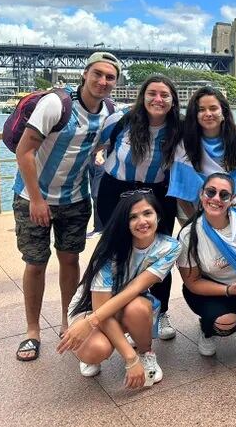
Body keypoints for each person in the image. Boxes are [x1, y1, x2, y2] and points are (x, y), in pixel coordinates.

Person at [13, 51, 119, 361]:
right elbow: (24, 150)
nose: (102, 81)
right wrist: (36, 198)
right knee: (36, 263)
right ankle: (32, 331)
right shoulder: (56, 105)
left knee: (70, 260)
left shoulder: (110, 111)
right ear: (84, 74)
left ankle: (66, 322)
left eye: (110, 77)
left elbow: (103, 144)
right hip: (33, 197)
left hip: (75, 198)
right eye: (97, 74)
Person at [57, 191, 181, 384]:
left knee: (138, 308)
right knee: (97, 349)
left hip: (127, 302)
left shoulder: (169, 247)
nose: (142, 221)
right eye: (133, 217)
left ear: (158, 215)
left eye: (147, 213)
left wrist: (91, 323)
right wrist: (129, 359)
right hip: (91, 307)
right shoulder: (110, 250)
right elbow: (100, 308)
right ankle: (103, 350)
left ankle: (145, 353)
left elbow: (135, 288)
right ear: (124, 222)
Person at [97, 75, 181, 340]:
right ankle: (115, 313)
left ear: (172, 101)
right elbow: (93, 146)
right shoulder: (120, 120)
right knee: (117, 252)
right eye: (152, 93)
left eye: (164, 95)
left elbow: (214, 135)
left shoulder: (180, 128)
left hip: (157, 194)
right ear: (143, 96)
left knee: (159, 253)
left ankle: (161, 311)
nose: (158, 99)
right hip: (116, 192)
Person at [178, 173, 236, 357]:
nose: (216, 199)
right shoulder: (189, 235)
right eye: (210, 192)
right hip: (213, 288)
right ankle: (208, 330)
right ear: (201, 194)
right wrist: (229, 290)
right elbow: (193, 283)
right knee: (226, 323)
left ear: (232, 199)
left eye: (224, 195)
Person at [169, 86, 236, 217]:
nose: (208, 114)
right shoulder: (184, 144)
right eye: (201, 110)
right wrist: (197, 224)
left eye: (213, 108)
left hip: (229, 213)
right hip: (192, 212)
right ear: (195, 115)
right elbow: (181, 193)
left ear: (224, 112)